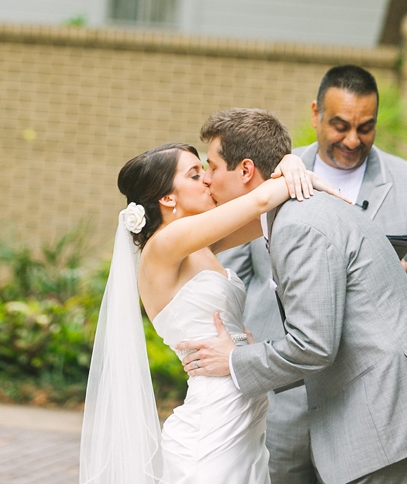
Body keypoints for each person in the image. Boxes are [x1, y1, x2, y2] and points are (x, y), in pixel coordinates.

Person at [180, 108, 407, 484]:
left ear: (245, 171)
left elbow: (313, 345)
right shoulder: (296, 212)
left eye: (212, 166)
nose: (207, 179)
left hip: (391, 417)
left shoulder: (297, 226)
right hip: (385, 409)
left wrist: (236, 360)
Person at [79, 128, 343, 484]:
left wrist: (290, 165)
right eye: (194, 174)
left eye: (205, 169)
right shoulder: (163, 246)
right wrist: (297, 170)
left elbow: (266, 213)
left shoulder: (201, 246)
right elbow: (261, 202)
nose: (208, 180)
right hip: (211, 430)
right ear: (167, 199)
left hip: (243, 420)